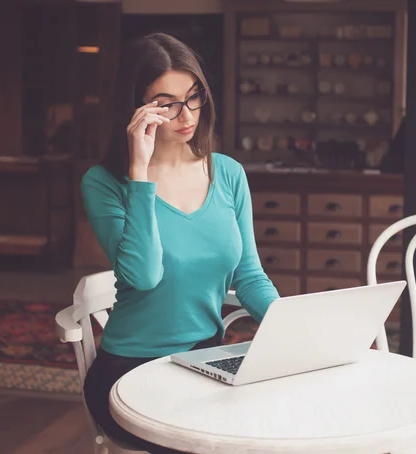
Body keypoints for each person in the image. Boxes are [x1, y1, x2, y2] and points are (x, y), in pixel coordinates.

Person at [81, 33, 279, 453]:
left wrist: (290, 326)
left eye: (194, 97)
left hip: (204, 363)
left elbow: (249, 276)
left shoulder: (227, 173)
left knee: (280, 426)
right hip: (130, 373)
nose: (185, 115)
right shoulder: (104, 183)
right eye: (166, 103)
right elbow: (144, 274)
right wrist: (140, 171)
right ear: (136, 109)